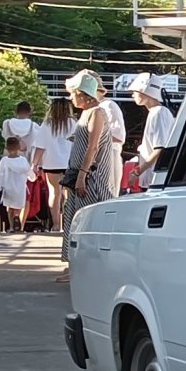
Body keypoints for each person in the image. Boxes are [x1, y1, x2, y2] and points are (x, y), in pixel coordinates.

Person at [58, 70, 117, 283]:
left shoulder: (97, 113)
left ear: (83, 94)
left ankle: (87, 267)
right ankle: (74, 264)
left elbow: (92, 147)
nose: (72, 98)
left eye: (74, 93)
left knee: (88, 222)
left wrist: (82, 175)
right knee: (74, 219)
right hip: (79, 173)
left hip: (91, 176)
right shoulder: (86, 113)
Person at [32, 98, 76, 232]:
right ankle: (70, 224)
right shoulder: (73, 123)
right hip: (70, 162)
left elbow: (40, 146)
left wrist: (34, 164)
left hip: (52, 163)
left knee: (55, 193)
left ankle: (56, 225)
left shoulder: (47, 124)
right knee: (69, 195)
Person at [129, 72, 175, 189]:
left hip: (156, 180)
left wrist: (136, 172)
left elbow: (160, 149)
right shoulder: (156, 112)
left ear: (145, 91)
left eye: (135, 91)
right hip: (153, 179)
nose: (132, 95)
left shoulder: (159, 113)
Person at [92, 77, 127, 198]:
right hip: (99, 158)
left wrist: (93, 136)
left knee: (108, 196)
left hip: (110, 155)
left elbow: (118, 136)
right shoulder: (96, 108)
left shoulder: (108, 106)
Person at [0, 136, 31, 232]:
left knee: (9, 207)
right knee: (18, 207)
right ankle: (18, 220)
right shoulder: (23, 160)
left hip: (8, 187)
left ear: (7, 148)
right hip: (20, 187)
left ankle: (12, 227)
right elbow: (28, 172)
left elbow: (0, 175)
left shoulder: (4, 161)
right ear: (18, 147)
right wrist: (33, 177)